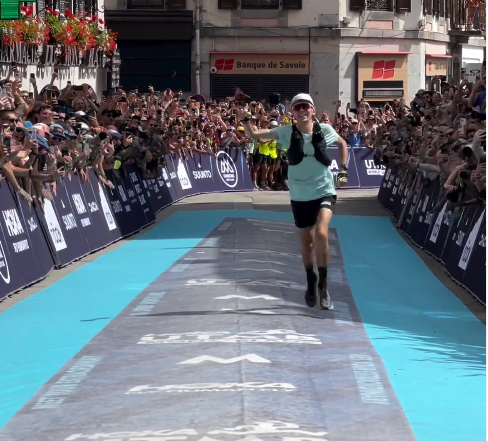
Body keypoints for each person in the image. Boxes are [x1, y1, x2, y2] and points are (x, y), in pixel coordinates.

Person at [239, 93, 349, 310]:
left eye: (305, 107)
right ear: (292, 113)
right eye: (297, 107)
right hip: (299, 194)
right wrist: (245, 120)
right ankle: (311, 280)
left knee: (321, 231)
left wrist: (344, 170)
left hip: (324, 190)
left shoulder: (324, 130)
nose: (302, 110)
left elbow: (342, 143)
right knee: (306, 242)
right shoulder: (285, 132)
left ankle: (324, 287)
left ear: (313, 110)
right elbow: (255, 135)